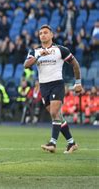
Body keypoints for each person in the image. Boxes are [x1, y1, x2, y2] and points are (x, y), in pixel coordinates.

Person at [24, 24, 82, 154]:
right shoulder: (35, 51)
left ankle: (53, 143)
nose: (43, 35)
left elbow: (75, 64)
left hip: (57, 84)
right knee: (57, 116)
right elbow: (26, 65)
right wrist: (39, 56)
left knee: (54, 113)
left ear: (51, 35)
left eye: (45, 32)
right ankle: (71, 142)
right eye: (40, 33)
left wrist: (78, 82)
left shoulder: (60, 50)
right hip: (44, 87)